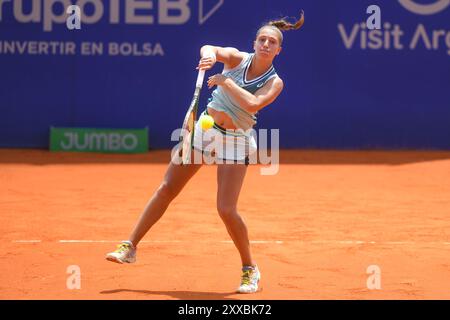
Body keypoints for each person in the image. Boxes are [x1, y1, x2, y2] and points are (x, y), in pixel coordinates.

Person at [106, 12, 304, 294]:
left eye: (272, 42)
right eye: (262, 39)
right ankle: (130, 246)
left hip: (236, 140)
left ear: (278, 50)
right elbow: (210, 47)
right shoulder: (237, 58)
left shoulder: (275, 82)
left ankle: (250, 268)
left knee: (225, 209)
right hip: (205, 132)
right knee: (166, 188)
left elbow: (252, 104)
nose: (265, 44)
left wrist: (225, 81)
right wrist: (209, 55)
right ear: (255, 42)